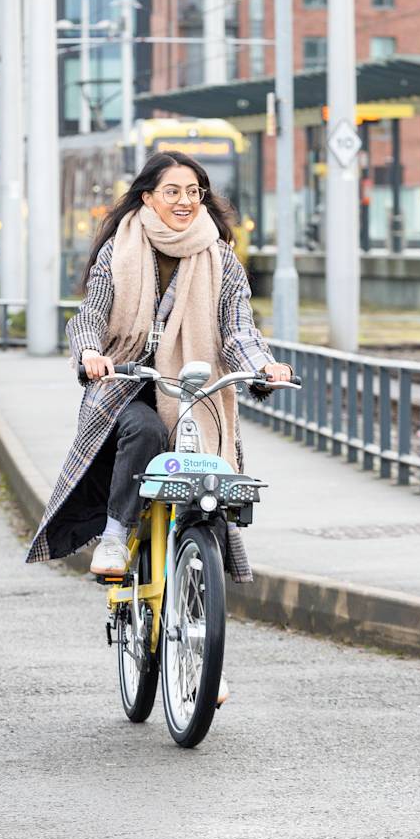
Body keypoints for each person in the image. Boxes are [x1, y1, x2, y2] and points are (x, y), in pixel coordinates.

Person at [26, 151, 293, 585]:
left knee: (206, 478)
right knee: (146, 430)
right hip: (124, 385)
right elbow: (90, 315)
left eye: (194, 192)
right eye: (173, 191)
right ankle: (114, 536)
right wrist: (92, 353)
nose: (185, 200)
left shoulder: (221, 259)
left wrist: (263, 366)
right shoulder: (119, 250)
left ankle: (193, 553)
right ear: (148, 197)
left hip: (195, 389)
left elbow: (238, 328)